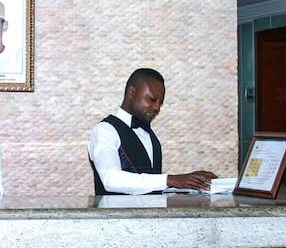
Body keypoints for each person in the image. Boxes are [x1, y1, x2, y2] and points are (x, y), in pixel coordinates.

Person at [88, 68, 216, 195]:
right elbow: (111, 179)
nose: (157, 107)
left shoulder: (148, 133)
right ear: (131, 92)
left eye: (160, 103)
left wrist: (189, 181)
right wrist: (169, 180)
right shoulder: (105, 130)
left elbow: (150, 186)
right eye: (152, 99)